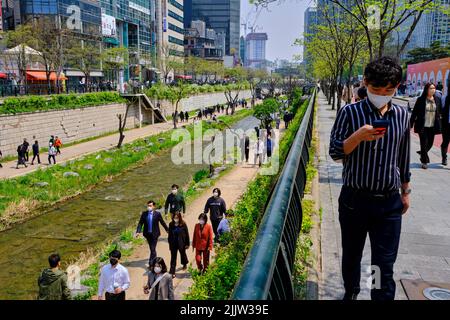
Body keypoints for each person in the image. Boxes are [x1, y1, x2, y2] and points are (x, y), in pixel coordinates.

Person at [329, 56, 410, 300]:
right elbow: (334, 152)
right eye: (376, 89)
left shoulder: (402, 115)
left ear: (397, 86)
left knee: (383, 264)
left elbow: (403, 156)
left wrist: (406, 191)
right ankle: (352, 291)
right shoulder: (349, 113)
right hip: (355, 200)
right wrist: (358, 137)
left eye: (389, 89)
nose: (382, 94)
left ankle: (378, 295)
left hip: (388, 203)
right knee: (352, 256)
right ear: (365, 82)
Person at [410, 82, 442, 169]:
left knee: (430, 143)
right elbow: (414, 112)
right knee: (423, 143)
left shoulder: (437, 99)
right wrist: (411, 123)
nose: (433, 90)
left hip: (432, 125)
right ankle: (424, 161)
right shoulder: (420, 99)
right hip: (422, 125)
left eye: (434, 88)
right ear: (426, 89)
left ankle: (422, 153)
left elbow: (440, 111)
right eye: (431, 88)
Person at [135, 200, 169, 265]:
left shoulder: (157, 214)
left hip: (155, 234)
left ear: (153, 206)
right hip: (147, 234)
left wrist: (167, 230)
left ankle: (151, 263)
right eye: (148, 206)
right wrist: (138, 232)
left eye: (150, 206)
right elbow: (140, 223)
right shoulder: (144, 214)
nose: (149, 207)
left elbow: (162, 222)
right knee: (152, 248)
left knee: (152, 248)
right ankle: (155, 260)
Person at [168, 212, 190, 277]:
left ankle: (184, 263)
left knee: (183, 254)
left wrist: (187, 244)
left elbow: (187, 234)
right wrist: (169, 245)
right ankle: (172, 271)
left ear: (179, 218)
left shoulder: (183, 224)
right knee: (173, 258)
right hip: (173, 244)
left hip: (181, 243)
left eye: (177, 218)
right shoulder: (171, 224)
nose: (176, 219)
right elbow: (169, 236)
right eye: (174, 217)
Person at [440, 84, 450, 166]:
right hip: (446, 124)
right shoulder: (444, 98)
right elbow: (441, 110)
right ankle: (444, 157)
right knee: (445, 142)